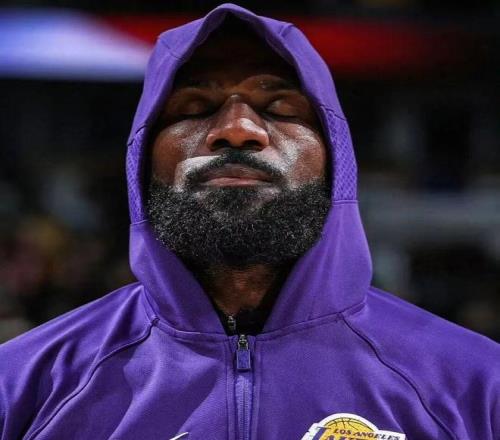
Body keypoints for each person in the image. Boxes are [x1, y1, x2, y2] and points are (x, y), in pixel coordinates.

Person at [0, 4, 498, 439]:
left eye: (280, 108)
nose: (237, 129)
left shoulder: (478, 383)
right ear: (142, 158)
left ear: (336, 157)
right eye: (194, 108)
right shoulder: (21, 384)